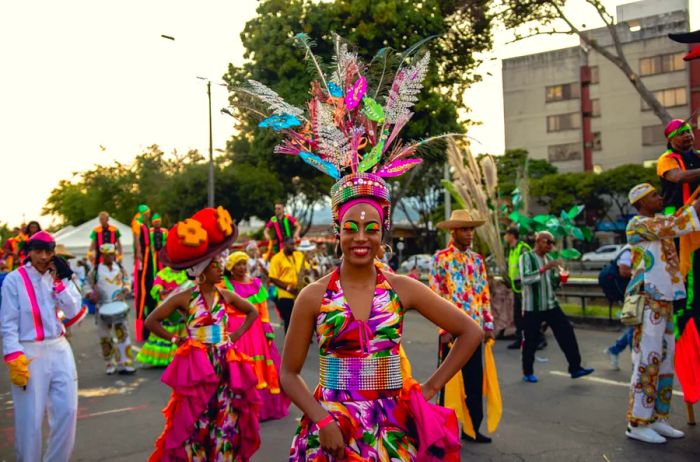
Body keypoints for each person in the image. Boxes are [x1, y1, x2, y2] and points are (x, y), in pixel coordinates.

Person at [146, 206, 261, 461]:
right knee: (195, 418)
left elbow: (252, 312)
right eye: (215, 265)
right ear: (201, 270)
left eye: (220, 264)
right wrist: (176, 340)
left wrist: (235, 335)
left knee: (225, 417)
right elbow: (151, 321)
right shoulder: (185, 298)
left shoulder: (225, 295)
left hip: (225, 364)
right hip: (197, 368)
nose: (220, 268)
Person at [623, 183, 700, 443]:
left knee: (666, 362)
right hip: (647, 300)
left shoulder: (659, 223)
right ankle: (637, 422)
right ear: (642, 202)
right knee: (648, 360)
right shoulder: (638, 225)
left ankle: (658, 418)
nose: (660, 198)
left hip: (666, 300)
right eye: (655, 195)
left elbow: (682, 218)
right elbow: (681, 222)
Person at [0, 231, 86, 462]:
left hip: (59, 347)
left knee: (67, 412)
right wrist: (13, 355)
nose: (43, 256)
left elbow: (75, 313)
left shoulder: (59, 276)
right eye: (38, 251)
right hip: (29, 352)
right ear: (29, 252)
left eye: (48, 251)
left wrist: (59, 283)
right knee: (30, 418)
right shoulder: (14, 280)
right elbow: (7, 323)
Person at [431, 208, 494, 443]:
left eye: (472, 230)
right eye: (465, 229)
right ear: (453, 231)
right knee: (447, 383)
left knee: (474, 382)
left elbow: (484, 293)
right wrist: (443, 329)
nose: (470, 234)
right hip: (451, 332)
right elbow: (435, 296)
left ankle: (472, 429)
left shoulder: (477, 260)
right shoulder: (441, 258)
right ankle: (443, 432)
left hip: (474, 332)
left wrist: (487, 324)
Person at [222, 251, 290, 421]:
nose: (242, 267)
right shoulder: (225, 286)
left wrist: (267, 329)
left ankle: (261, 408)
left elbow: (263, 311)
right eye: (238, 264)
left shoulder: (256, 285)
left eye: (244, 263)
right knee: (239, 366)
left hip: (256, 331)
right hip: (236, 331)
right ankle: (240, 408)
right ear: (230, 268)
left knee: (260, 366)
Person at [519, 231, 594, 383]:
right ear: (538, 241)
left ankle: (575, 367)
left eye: (552, 243)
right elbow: (525, 279)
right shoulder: (526, 257)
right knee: (530, 340)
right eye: (548, 242)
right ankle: (528, 372)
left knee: (567, 332)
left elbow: (552, 284)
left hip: (551, 304)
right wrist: (544, 268)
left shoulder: (549, 259)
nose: (551, 245)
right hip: (533, 307)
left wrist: (560, 279)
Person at [84, 243, 135, 375]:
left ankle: (125, 363)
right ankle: (110, 363)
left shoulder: (120, 268)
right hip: (102, 307)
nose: (110, 257)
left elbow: (127, 281)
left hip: (119, 305)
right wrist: (90, 295)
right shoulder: (95, 271)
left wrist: (126, 289)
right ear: (102, 256)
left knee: (123, 335)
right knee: (105, 338)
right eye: (106, 255)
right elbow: (86, 285)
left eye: (112, 254)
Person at [136, 266, 188, 366]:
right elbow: (156, 287)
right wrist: (161, 291)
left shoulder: (186, 273)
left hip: (180, 309)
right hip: (166, 308)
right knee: (164, 332)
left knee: (181, 332)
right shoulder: (162, 273)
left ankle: (177, 357)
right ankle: (163, 358)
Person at [268, 237, 308, 332]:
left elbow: (306, 268)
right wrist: (288, 288)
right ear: (285, 245)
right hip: (285, 294)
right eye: (291, 244)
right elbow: (272, 278)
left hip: (299, 292)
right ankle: (289, 344)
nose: (294, 247)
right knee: (289, 321)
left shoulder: (299, 255)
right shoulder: (276, 258)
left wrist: (306, 272)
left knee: (302, 320)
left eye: (294, 244)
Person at [603, 244, 633, 370]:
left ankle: (614, 350)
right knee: (635, 326)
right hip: (628, 293)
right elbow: (623, 270)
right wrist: (640, 274)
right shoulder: (629, 250)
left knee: (636, 326)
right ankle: (636, 362)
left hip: (634, 293)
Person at [504, 227, 531, 349]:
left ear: (512, 235)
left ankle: (538, 338)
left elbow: (529, 266)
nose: (505, 237)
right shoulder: (512, 249)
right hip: (516, 286)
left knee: (527, 315)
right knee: (518, 316)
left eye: (506, 234)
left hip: (524, 286)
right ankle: (520, 339)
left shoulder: (522, 248)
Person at [131, 204, 155, 340]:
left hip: (148, 255)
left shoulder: (142, 223)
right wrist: (138, 252)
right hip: (144, 256)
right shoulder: (137, 222)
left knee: (149, 289)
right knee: (143, 290)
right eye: (148, 213)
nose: (149, 216)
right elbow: (136, 237)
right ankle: (142, 331)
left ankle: (150, 327)